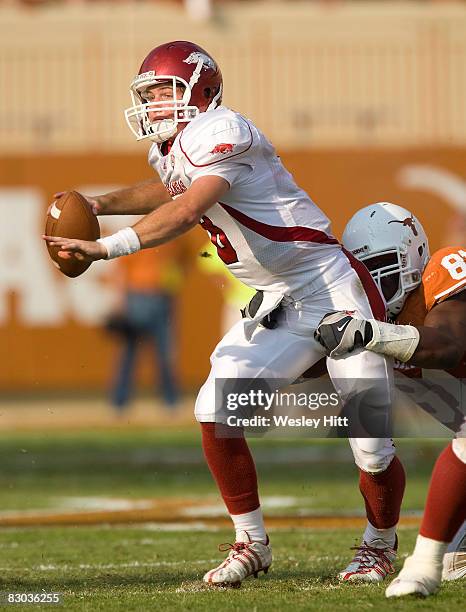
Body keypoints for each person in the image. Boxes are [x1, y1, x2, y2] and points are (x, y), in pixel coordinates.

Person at [44, 41, 404, 587]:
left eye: (163, 91)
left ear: (200, 91)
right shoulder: (174, 146)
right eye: (149, 94)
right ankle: (251, 542)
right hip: (282, 303)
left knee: (372, 447)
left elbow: (189, 207)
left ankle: (380, 545)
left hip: (332, 289)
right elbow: (170, 186)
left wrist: (105, 247)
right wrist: (101, 203)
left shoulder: (224, 131)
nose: (153, 104)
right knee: (216, 408)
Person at [315, 201, 466, 597]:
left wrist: (370, 334)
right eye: (363, 270)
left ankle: (421, 565)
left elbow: (447, 346)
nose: (375, 278)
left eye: (382, 262)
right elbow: (317, 354)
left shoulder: (444, 273)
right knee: (457, 562)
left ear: (414, 255)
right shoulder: (371, 316)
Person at [107, 241, 189, 410]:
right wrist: (121, 301)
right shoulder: (161, 231)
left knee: (161, 351)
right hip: (139, 295)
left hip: (159, 295)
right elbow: (121, 270)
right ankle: (123, 401)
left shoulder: (146, 232)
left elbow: (183, 259)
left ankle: (168, 401)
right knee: (136, 351)